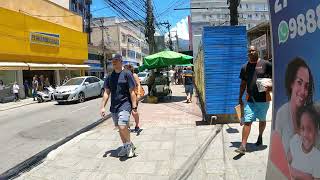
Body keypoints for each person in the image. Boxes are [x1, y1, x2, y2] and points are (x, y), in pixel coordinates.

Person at [275, 57, 316, 155]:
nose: (303, 91)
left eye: (306, 86)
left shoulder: (312, 114)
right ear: (291, 83)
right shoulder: (282, 114)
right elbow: (277, 153)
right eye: (299, 82)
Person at [235, 45, 272, 154]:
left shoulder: (266, 64)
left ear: (257, 52)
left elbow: (275, 77)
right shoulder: (244, 67)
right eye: (249, 51)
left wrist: (271, 87)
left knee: (262, 119)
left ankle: (260, 136)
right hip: (250, 100)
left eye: (253, 50)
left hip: (264, 99)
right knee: (248, 121)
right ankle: (243, 145)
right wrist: (239, 97)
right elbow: (243, 84)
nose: (251, 52)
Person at [100, 54, 137, 158]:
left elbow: (132, 92)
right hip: (114, 107)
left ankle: (129, 145)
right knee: (119, 128)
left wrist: (134, 107)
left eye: (116, 60)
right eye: (113, 60)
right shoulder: (109, 77)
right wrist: (102, 106)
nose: (114, 62)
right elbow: (107, 93)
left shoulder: (127, 74)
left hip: (125, 104)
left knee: (122, 125)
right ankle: (126, 146)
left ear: (121, 61)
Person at [288, 105, 320, 179]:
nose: (305, 134)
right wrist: (307, 176)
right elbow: (285, 164)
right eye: (302, 128)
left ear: (316, 130)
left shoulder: (317, 158)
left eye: (309, 129)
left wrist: (293, 172)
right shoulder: (295, 141)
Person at [125, 65, 142, 132]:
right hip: (126, 96)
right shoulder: (124, 76)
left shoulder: (134, 75)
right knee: (126, 112)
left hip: (134, 95)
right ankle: (127, 126)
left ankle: (137, 125)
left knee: (134, 112)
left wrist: (138, 94)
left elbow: (138, 85)